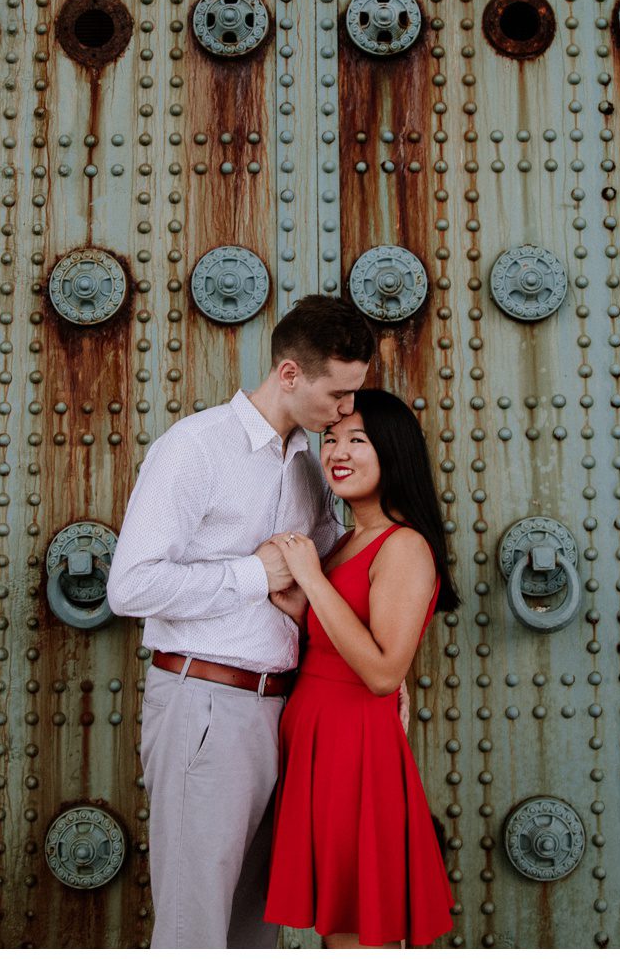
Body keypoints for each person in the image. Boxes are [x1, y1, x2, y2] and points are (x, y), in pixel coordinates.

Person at [104, 294, 378, 948]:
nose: (346, 411)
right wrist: (256, 574)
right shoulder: (195, 448)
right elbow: (131, 586)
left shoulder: (308, 469)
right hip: (206, 706)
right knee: (194, 926)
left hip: (281, 714)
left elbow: (316, 591)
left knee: (257, 928)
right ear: (290, 375)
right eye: (338, 395)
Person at [263, 388, 459, 949]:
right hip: (318, 737)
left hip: (353, 745)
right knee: (338, 922)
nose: (337, 452)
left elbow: (381, 672)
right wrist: (306, 611)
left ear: (392, 451)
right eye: (330, 439)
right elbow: (345, 637)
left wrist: (313, 581)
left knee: (357, 925)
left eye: (357, 439)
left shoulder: (404, 547)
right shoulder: (351, 539)